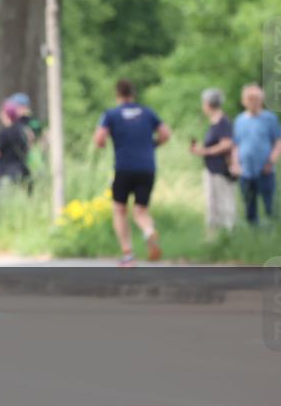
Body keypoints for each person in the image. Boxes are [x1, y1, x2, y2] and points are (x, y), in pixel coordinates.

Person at [93, 79, 171, 267]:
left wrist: (103, 144)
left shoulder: (110, 115)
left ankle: (128, 255)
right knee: (140, 210)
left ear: (117, 94)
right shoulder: (147, 113)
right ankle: (148, 231)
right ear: (133, 93)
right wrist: (153, 144)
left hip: (124, 168)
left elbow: (99, 139)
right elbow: (166, 133)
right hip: (147, 168)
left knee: (119, 210)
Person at [231, 83, 281, 226]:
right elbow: (235, 145)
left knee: (270, 206)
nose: (252, 102)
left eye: (256, 99)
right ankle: (254, 237)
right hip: (245, 171)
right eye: (249, 99)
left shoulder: (270, 118)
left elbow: (279, 142)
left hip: (265, 170)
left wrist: (271, 161)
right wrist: (235, 164)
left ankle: (276, 235)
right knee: (249, 207)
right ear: (244, 101)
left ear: (261, 100)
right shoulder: (239, 120)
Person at [189, 89, 237, 237]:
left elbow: (227, 144)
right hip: (211, 169)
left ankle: (228, 235)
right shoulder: (214, 123)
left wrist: (205, 151)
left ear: (208, 104)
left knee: (225, 203)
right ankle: (213, 237)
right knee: (212, 205)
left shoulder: (223, 122)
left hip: (221, 169)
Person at [0, 100, 31, 188]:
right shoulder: (22, 130)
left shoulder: (4, 133)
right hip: (21, 171)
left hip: (5, 174)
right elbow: (28, 146)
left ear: (5, 114)